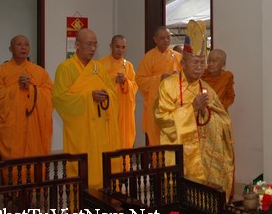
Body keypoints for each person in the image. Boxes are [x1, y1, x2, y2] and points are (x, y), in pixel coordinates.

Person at [155, 20, 235, 201]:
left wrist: (207, 114)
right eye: (195, 62)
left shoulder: (206, 88)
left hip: (205, 154)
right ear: (183, 63)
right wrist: (192, 109)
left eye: (202, 62)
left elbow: (223, 119)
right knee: (180, 199)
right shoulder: (168, 86)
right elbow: (161, 119)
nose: (200, 67)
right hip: (179, 152)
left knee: (204, 199)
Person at [53, 28, 120, 189]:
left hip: (100, 128)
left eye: (95, 44)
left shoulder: (99, 68)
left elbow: (113, 93)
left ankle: (103, 196)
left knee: (101, 164)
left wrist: (106, 94)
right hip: (79, 130)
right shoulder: (65, 68)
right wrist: (89, 97)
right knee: (81, 167)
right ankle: (81, 199)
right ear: (77, 45)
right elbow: (60, 99)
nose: (92, 48)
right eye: (88, 44)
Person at [0, 35, 53, 160]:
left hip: (34, 127)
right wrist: (17, 86)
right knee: (14, 163)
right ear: (10, 49)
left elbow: (50, 95)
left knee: (34, 161)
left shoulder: (39, 71)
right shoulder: (1, 71)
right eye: (19, 44)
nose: (23, 47)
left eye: (26, 44)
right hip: (12, 126)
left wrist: (31, 88)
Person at [137, 26, 182, 146]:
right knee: (156, 143)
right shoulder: (148, 57)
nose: (166, 40)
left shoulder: (178, 57)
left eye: (168, 37)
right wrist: (159, 79)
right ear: (155, 39)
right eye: (162, 38)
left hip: (174, 106)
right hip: (155, 105)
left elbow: (186, 80)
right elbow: (140, 80)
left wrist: (178, 77)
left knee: (174, 141)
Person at [100, 35, 138, 149]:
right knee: (108, 139)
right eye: (117, 47)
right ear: (111, 46)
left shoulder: (129, 66)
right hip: (108, 108)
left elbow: (135, 86)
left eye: (123, 47)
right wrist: (114, 81)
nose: (120, 50)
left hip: (124, 110)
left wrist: (125, 82)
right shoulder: (101, 64)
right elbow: (97, 85)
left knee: (124, 139)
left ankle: (124, 160)